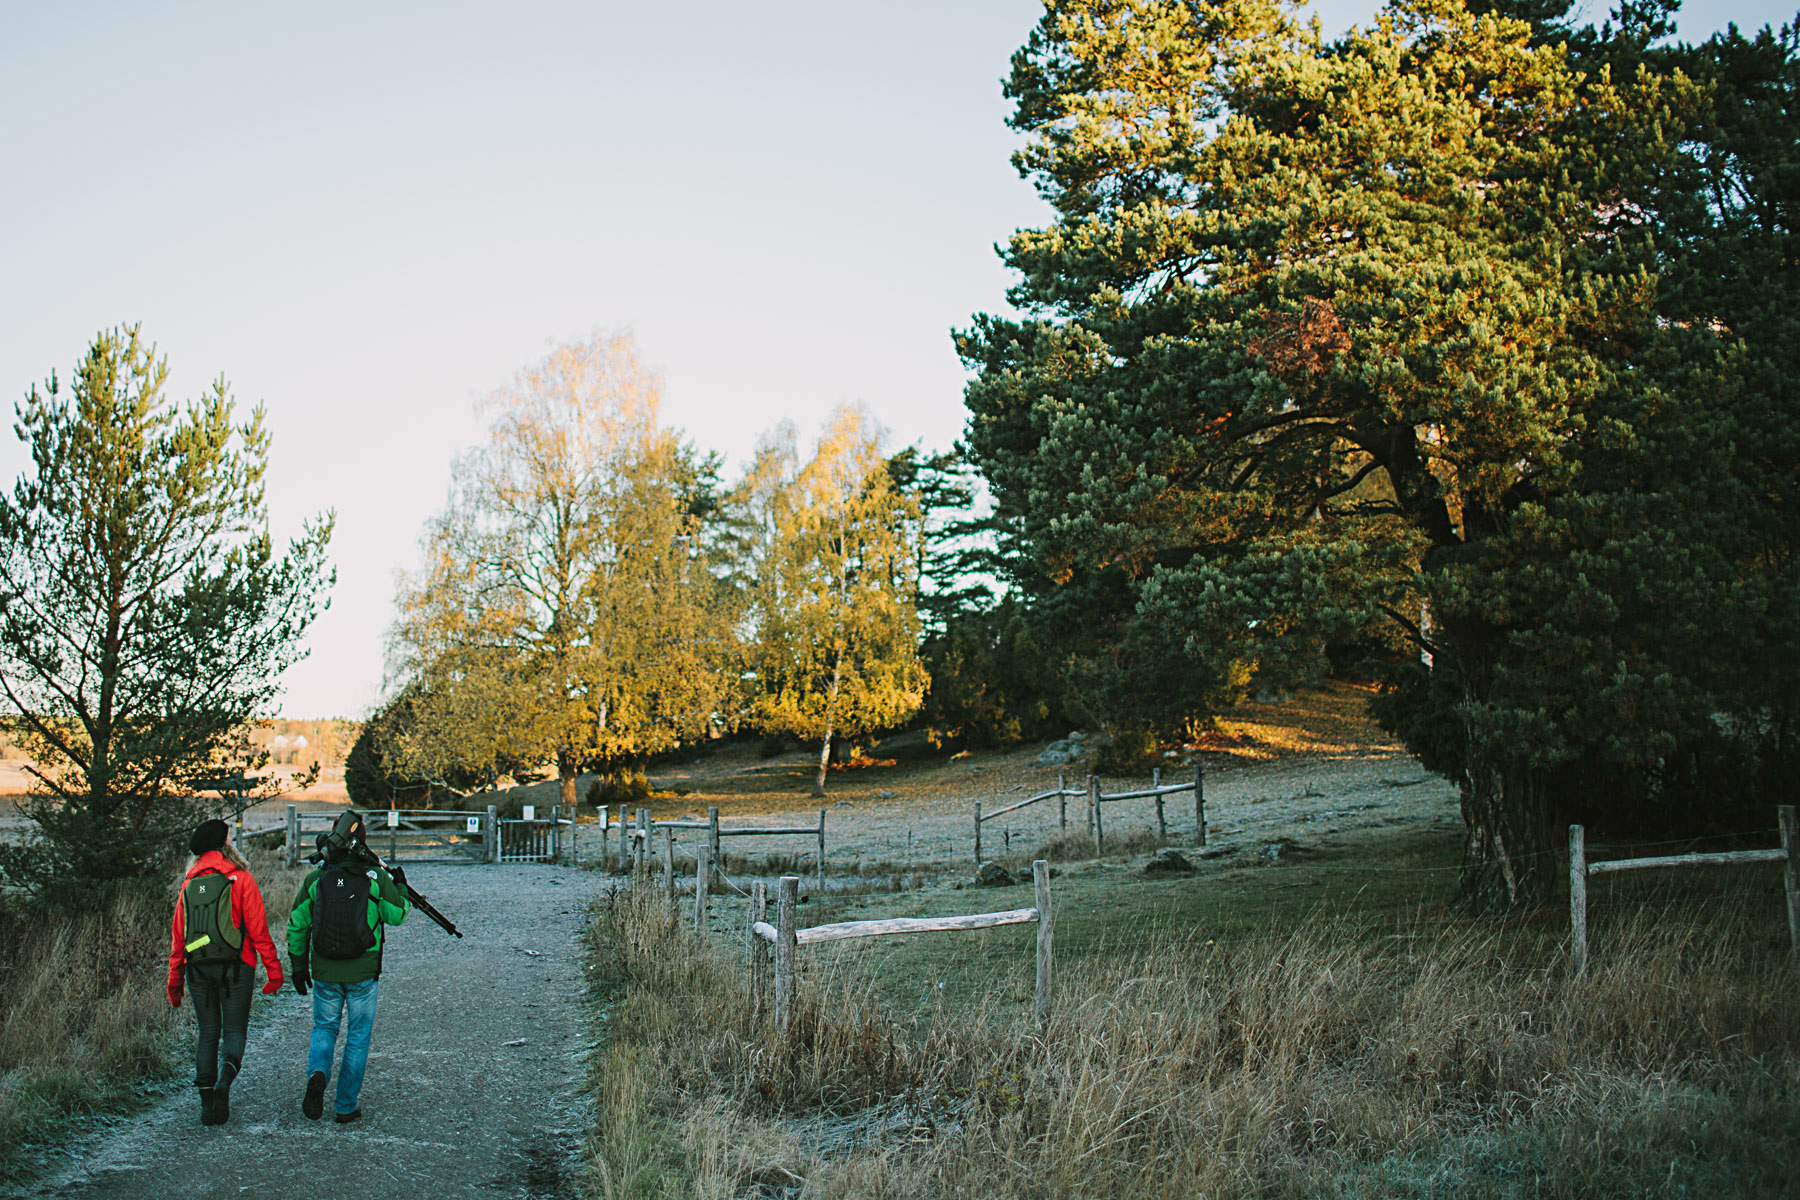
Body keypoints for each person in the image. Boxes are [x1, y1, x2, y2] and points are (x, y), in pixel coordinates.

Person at [286, 810, 409, 1124]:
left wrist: (298, 965)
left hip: (325, 970)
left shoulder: (316, 879)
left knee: (324, 1028)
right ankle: (345, 1106)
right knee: (357, 1036)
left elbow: (297, 924)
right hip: (362, 971)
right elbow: (397, 915)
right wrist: (401, 888)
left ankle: (317, 1076)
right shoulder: (375, 877)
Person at [166, 818, 283, 1125]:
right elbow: (259, 930)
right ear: (224, 845)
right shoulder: (241, 878)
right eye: (230, 838)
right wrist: (274, 972)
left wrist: (174, 984)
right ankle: (224, 1084)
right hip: (237, 967)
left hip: (198, 969)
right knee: (233, 1032)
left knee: (207, 1032)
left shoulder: (189, 885)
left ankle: (207, 1103)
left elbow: (179, 939)